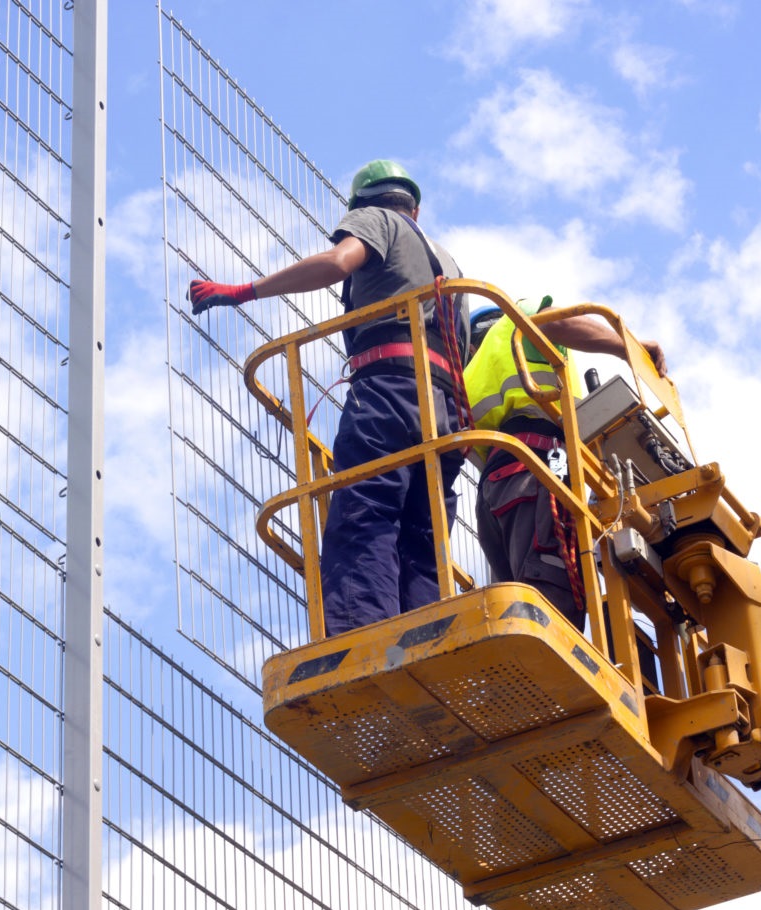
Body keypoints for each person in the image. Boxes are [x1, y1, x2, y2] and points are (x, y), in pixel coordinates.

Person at [188, 160, 469, 637]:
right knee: (423, 533)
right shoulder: (450, 264)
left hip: (389, 392)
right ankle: (431, 635)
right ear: (415, 208)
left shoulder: (377, 220)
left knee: (365, 510)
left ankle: (362, 639)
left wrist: (244, 291)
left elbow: (339, 262)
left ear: (362, 204)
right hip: (445, 411)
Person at [464, 295, 666, 627]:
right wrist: (626, 346)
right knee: (551, 600)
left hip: (497, 486)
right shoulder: (514, 324)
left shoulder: (469, 376)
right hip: (541, 467)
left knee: (515, 607)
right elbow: (557, 322)